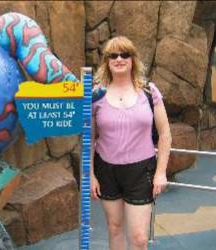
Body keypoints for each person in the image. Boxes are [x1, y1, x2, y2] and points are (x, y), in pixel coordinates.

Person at [90, 36, 172, 250]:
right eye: (113, 55)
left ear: (133, 59)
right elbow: (89, 138)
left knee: (139, 239)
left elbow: (165, 134)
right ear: (106, 61)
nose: (119, 59)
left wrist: (161, 172)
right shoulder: (96, 95)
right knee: (115, 228)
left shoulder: (149, 92)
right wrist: (90, 175)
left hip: (140, 171)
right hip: (106, 170)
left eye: (124, 54)